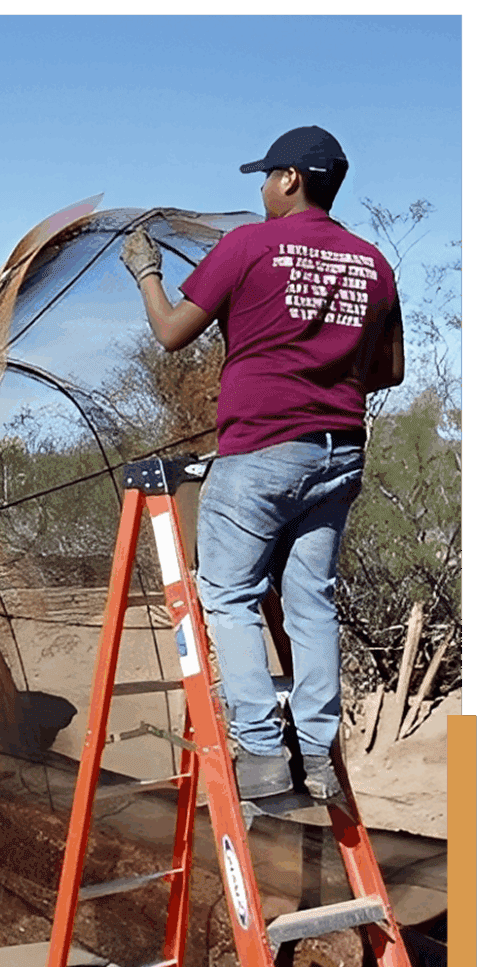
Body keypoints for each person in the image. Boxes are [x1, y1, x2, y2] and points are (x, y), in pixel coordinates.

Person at [119, 126, 404, 801]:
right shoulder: (372, 262)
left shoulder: (248, 245)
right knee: (310, 601)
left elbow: (171, 333)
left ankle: (261, 752)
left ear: (290, 179)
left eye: (267, 176)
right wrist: (324, 368)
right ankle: (316, 752)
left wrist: (146, 273)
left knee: (228, 594)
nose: (262, 189)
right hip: (338, 452)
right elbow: (389, 371)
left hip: (261, 450)